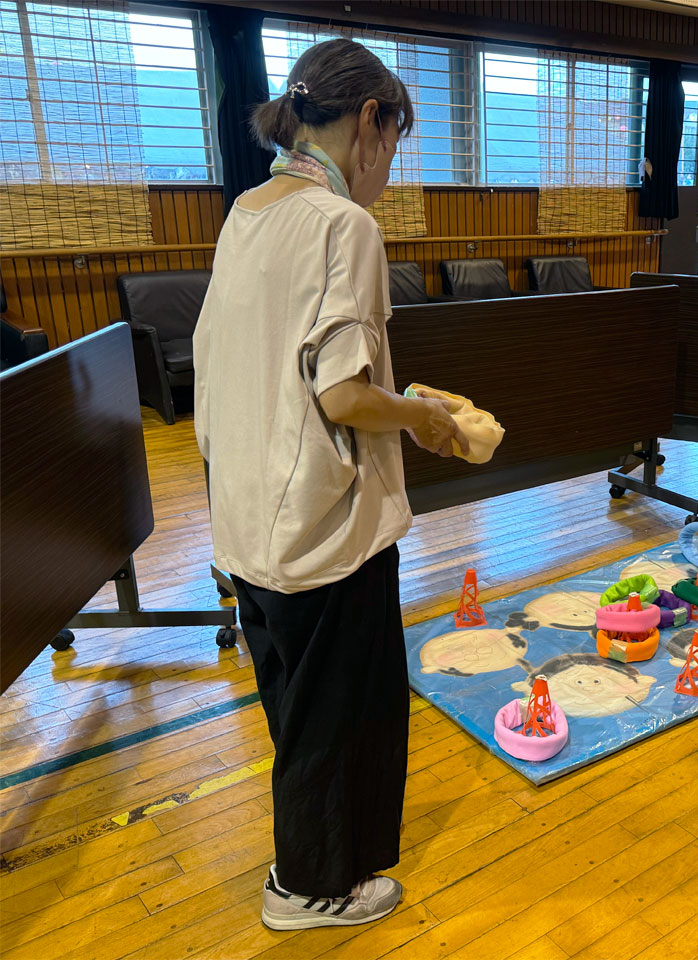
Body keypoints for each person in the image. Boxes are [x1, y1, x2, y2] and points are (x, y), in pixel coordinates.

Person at [193, 39, 468, 931]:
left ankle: (308, 869)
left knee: (296, 713)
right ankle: (310, 888)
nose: (388, 169)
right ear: (368, 122)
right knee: (344, 719)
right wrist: (425, 418)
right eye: (393, 142)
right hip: (320, 527)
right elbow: (343, 392)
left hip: (246, 520)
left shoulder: (249, 211)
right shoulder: (342, 225)